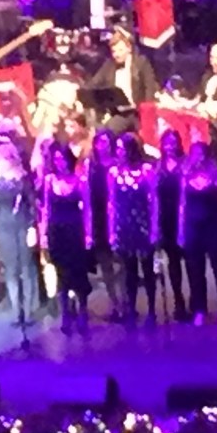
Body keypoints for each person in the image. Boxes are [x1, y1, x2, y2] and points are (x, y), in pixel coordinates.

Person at [108, 133, 158, 328]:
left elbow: (154, 201)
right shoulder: (113, 173)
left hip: (143, 224)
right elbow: (111, 203)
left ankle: (152, 309)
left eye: (122, 149)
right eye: (117, 149)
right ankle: (131, 308)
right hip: (123, 225)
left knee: (147, 269)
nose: (119, 153)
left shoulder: (146, 171)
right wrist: (112, 230)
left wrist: (154, 228)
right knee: (129, 271)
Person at [41, 143, 90, 333]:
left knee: (78, 272)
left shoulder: (80, 180)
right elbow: (46, 209)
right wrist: (44, 235)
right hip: (56, 231)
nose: (59, 163)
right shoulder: (49, 180)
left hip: (75, 230)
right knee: (62, 274)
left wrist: (88, 234)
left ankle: (83, 310)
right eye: (56, 159)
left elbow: (87, 209)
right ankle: (66, 313)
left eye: (62, 159)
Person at [180, 141, 217, 327]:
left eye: (201, 154)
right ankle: (200, 309)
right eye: (195, 154)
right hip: (193, 228)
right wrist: (181, 230)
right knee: (195, 270)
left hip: (214, 227)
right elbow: (182, 205)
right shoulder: (185, 176)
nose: (198, 157)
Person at [0, 142, 37, 323]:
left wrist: (33, 227)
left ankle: (28, 309)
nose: (0, 162)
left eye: (3, 159)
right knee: (10, 268)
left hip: (22, 225)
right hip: (3, 227)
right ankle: (15, 309)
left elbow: (33, 205)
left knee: (26, 267)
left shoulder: (23, 180)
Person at [83, 129, 124, 320]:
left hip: (118, 216)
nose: (103, 145)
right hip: (99, 218)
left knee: (123, 261)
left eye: (106, 141)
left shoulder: (118, 164)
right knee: (105, 263)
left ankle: (126, 300)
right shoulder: (91, 166)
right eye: (99, 142)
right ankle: (115, 303)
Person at [88, 31, 158, 134]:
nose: (117, 54)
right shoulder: (109, 65)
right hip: (120, 114)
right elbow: (93, 84)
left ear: (129, 48)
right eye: (114, 51)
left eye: (120, 50)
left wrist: (147, 115)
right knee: (106, 132)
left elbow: (150, 88)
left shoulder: (141, 63)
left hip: (139, 113)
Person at [154, 130, 189, 322]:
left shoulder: (186, 164)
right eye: (166, 142)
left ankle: (196, 301)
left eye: (173, 142)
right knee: (173, 262)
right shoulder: (158, 167)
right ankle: (179, 302)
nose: (170, 146)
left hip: (185, 216)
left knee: (191, 262)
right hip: (166, 218)